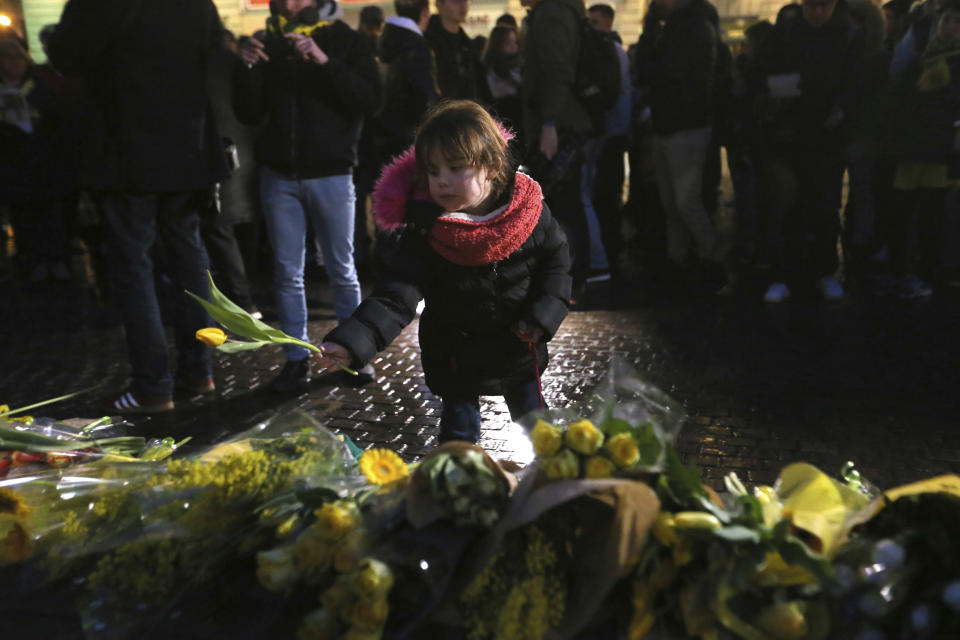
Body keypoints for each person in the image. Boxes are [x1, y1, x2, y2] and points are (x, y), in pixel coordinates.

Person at [316, 101, 571, 444]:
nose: (442, 182)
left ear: (491, 166)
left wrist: (542, 316)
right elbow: (395, 296)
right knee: (458, 440)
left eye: (455, 168)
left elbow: (556, 263)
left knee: (543, 434)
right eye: (433, 171)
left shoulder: (528, 213)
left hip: (519, 348)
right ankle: (459, 492)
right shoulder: (426, 230)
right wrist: (351, 343)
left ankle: (558, 491)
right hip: (455, 355)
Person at [48, 0, 228, 413]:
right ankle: (199, 371)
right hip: (186, 149)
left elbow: (67, 55)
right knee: (189, 258)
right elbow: (213, 53)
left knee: (133, 265)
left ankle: (153, 386)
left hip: (126, 150)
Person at [235, 0, 380, 392]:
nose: (288, 3)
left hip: (332, 172)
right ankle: (295, 359)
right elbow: (249, 111)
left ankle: (355, 356)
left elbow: (369, 100)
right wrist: (247, 67)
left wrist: (324, 61)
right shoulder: (272, 42)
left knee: (341, 269)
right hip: (278, 175)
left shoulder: (346, 40)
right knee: (287, 273)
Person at [753, 0, 865, 303]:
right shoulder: (785, 33)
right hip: (789, 135)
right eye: (813, 7)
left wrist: (841, 108)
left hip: (827, 137)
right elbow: (762, 72)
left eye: (824, 7)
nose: (818, 13)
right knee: (787, 206)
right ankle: (784, 274)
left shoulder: (848, 34)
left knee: (825, 207)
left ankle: (823, 271)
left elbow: (856, 81)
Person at [634, 0, 724, 291]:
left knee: (685, 202)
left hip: (685, 124)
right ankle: (678, 259)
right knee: (673, 204)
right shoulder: (681, 26)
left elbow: (662, 72)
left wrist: (649, 42)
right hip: (673, 122)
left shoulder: (693, 26)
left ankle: (710, 258)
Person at [521, 0, 594, 302]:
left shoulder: (551, 13)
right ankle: (570, 281)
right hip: (561, 121)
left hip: (558, 124)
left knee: (561, 206)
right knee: (564, 204)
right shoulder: (556, 11)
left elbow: (557, 70)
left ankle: (569, 282)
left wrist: (549, 122)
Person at [886, 0, 960, 296]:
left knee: (933, 214)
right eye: (946, 21)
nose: (950, 26)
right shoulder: (920, 58)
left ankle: (927, 274)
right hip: (913, 145)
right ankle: (902, 270)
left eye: (956, 21)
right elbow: (903, 98)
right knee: (902, 211)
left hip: (941, 148)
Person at [374, 0, 439, 166]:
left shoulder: (385, 41)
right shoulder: (416, 47)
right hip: (410, 138)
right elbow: (425, 96)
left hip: (383, 137)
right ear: (425, 11)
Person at [425, 0, 492, 101]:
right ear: (439, 5)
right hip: (442, 112)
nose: (463, 5)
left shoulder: (466, 44)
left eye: (466, 0)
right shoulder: (428, 44)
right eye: (456, 1)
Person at [483, 25, 524, 145]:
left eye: (515, 42)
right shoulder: (494, 68)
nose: (513, 46)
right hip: (504, 119)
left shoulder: (520, 64)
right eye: (508, 43)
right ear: (497, 45)